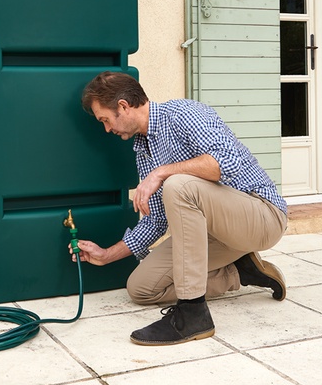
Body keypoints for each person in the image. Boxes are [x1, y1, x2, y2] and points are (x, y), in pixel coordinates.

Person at [74, 72, 288, 346]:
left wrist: (162, 173)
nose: (107, 129)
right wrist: (106, 255)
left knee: (178, 185)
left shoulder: (183, 113)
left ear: (123, 106)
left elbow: (227, 162)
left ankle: (193, 313)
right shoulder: (144, 149)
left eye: (105, 119)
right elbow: (156, 221)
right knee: (141, 288)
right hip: (216, 234)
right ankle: (241, 271)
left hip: (262, 215)